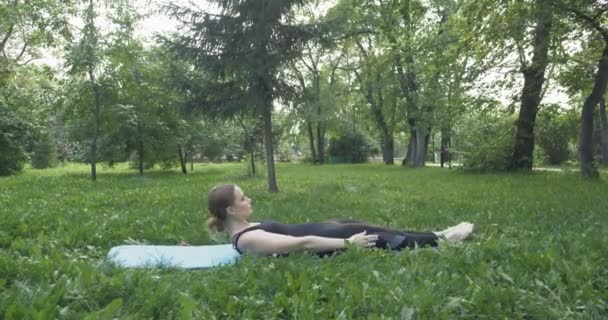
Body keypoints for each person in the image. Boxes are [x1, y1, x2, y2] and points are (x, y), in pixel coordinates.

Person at [207, 184, 474, 256]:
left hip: (326, 226)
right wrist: (348, 243)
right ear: (230, 210)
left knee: (380, 227)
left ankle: (437, 233)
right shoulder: (248, 239)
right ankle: (443, 241)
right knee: (381, 238)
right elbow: (301, 244)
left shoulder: (247, 228)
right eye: (242, 199)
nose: (249, 200)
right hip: (328, 239)